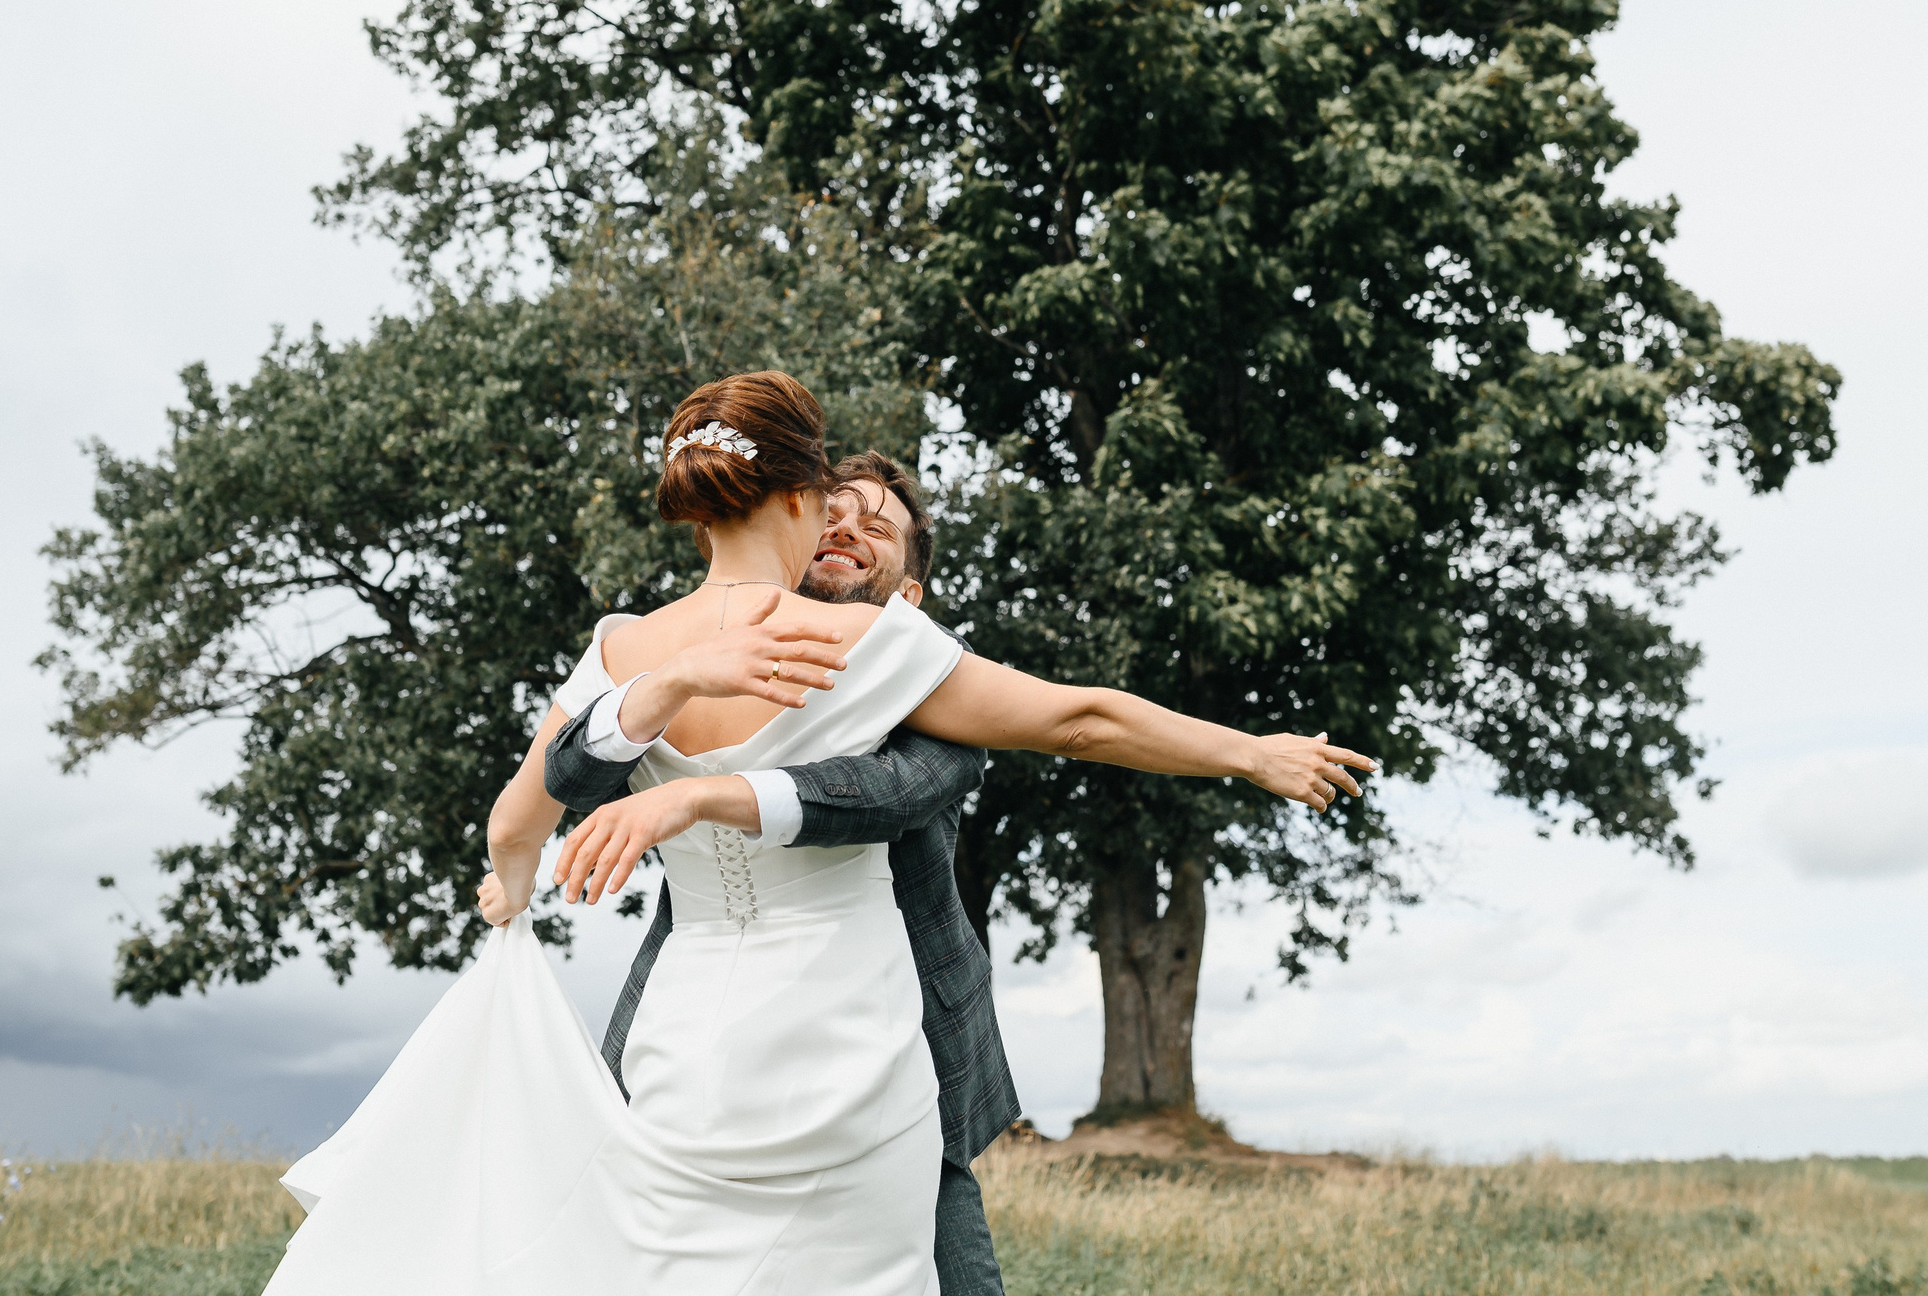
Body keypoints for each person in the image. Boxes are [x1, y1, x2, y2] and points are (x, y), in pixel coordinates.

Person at [265, 372, 1373, 1296]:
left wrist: (510, 894)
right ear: (799, 492)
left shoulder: (623, 651)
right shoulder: (864, 640)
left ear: (704, 504)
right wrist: (1249, 748)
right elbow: (1080, 716)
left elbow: (518, 818)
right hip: (847, 1038)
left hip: (688, 1040)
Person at [541, 451, 1013, 1295]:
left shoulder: (931, 675)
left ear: (909, 596)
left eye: (879, 528)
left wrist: (707, 796)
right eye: (835, 513)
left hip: (894, 1050)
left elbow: (899, 789)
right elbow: (564, 775)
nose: (847, 529)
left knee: (956, 1271)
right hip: (706, 1039)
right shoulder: (699, 655)